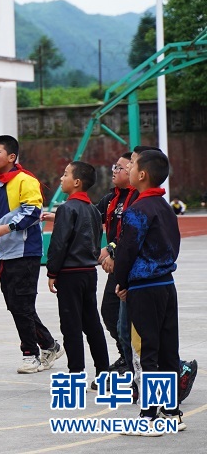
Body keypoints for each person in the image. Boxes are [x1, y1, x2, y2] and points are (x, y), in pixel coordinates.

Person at [0, 135, 63, 374]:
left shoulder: (25, 180)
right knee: (16, 305)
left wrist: (6, 228)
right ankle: (50, 345)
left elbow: (33, 213)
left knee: (22, 304)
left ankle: (30, 354)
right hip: (5, 253)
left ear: (11, 157)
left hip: (26, 252)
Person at [115, 149, 185, 433]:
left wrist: (121, 282)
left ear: (141, 175)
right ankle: (172, 413)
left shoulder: (137, 210)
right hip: (167, 284)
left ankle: (149, 416)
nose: (128, 169)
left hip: (145, 287)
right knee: (168, 349)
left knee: (148, 351)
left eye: (132, 166)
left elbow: (127, 250)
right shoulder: (165, 207)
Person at [45, 161, 109, 386]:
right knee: (92, 323)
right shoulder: (93, 210)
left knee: (71, 325)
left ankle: (76, 374)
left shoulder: (66, 208)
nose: (61, 178)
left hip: (70, 273)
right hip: (89, 272)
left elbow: (59, 243)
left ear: (77, 182)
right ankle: (103, 373)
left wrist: (52, 271)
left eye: (65, 175)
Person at [95, 153, 138, 373]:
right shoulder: (112, 197)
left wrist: (112, 250)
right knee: (111, 313)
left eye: (119, 167)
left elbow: (131, 236)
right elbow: (92, 215)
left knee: (134, 322)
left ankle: (173, 368)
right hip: (119, 264)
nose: (114, 170)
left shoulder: (139, 199)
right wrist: (58, 215)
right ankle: (126, 357)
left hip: (135, 268)